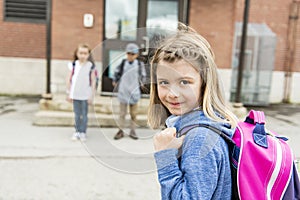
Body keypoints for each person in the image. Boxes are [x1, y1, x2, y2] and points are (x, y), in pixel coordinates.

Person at [148, 23, 238, 199]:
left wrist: (165, 157)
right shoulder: (197, 128)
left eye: (184, 82)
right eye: (164, 82)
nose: (173, 94)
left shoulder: (200, 139)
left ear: (204, 84)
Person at [112, 43, 146, 140]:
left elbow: (143, 76)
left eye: (133, 54)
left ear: (136, 55)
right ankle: (120, 131)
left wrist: (142, 84)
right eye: (129, 54)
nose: (130, 56)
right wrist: (115, 80)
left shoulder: (139, 64)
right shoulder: (122, 63)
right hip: (123, 91)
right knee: (122, 114)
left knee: (134, 114)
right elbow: (116, 72)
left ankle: (132, 130)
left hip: (134, 92)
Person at [66, 44, 96, 141]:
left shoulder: (91, 66)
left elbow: (93, 81)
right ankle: (77, 131)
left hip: (85, 95)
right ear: (77, 53)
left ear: (88, 54)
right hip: (75, 94)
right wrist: (69, 93)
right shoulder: (73, 65)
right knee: (77, 114)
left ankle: (83, 132)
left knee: (84, 114)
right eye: (81, 53)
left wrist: (92, 95)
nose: (83, 55)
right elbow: (69, 79)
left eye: (85, 53)